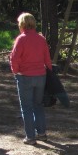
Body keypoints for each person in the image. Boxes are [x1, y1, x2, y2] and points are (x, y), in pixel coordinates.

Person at [9, 12, 52, 145]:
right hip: (40, 76)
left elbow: (14, 58)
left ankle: (30, 137)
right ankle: (42, 133)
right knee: (38, 105)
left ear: (22, 24)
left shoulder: (21, 39)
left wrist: (16, 72)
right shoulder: (41, 39)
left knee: (26, 107)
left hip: (25, 76)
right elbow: (47, 58)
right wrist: (49, 72)